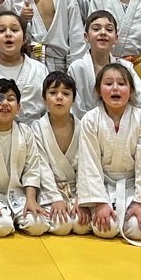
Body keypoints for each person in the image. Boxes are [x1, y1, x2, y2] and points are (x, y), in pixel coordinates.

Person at [76, 62, 141, 242]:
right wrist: (99, 203)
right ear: (99, 90)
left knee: (138, 230)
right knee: (105, 229)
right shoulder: (90, 120)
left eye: (122, 84)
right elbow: (89, 163)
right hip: (103, 186)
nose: (115, 88)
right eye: (108, 83)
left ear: (131, 90)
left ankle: (134, 207)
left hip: (133, 187)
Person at [0, 79, 46, 238]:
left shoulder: (25, 132)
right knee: (2, 227)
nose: (5, 103)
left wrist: (31, 200)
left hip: (19, 195)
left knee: (38, 225)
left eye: (10, 99)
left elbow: (32, 169)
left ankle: (17, 215)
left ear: (18, 107)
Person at [68, 9, 141, 120]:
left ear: (116, 38)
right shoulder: (76, 68)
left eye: (109, 29)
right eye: (96, 29)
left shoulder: (125, 67)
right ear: (86, 36)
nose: (103, 33)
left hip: (120, 122)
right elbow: (73, 105)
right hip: (86, 125)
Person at [28, 71, 85, 236]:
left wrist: (82, 197)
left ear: (74, 100)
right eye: (53, 93)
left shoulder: (83, 127)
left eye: (66, 94)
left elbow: (86, 164)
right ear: (44, 98)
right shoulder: (37, 128)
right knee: (62, 226)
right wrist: (55, 198)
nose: (59, 98)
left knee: (81, 225)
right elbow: (41, 165)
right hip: (49, 190)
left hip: (76, 191)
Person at [0, 10, 48, 122]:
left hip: (35, 130)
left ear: (24, 38)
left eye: (14, 30)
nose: (8, 34)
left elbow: (49, 112)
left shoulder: (39, 69)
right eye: (1, 30)